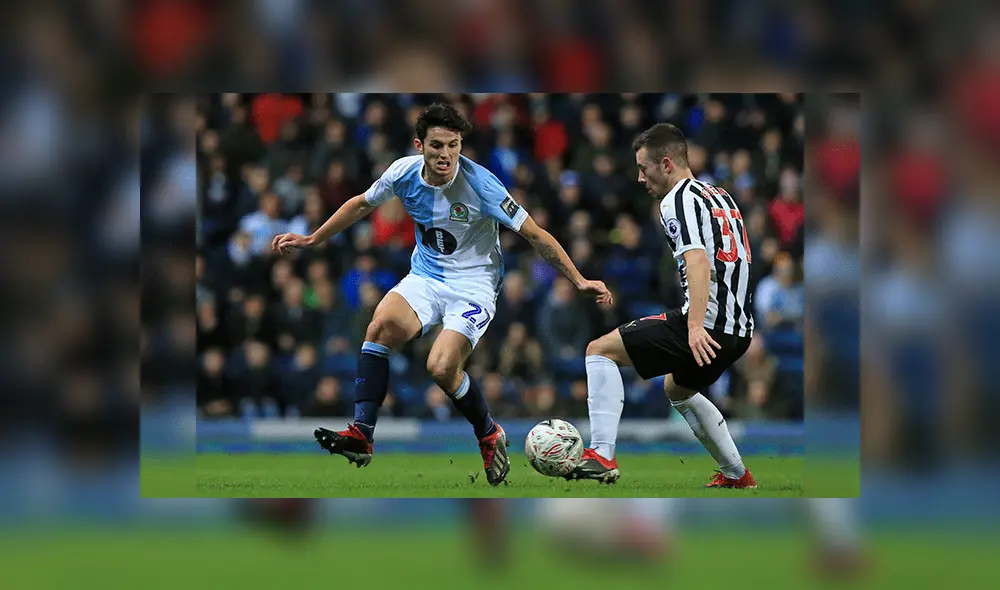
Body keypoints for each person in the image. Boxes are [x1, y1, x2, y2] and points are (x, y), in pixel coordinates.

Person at [272, 103, 612, 486]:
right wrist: (314, 238)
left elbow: (534, 234)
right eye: (437, 145)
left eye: (453, 145)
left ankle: (487, 432)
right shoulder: (402, 172)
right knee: (379, 326)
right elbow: (361, 204)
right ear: (420, 145)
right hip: (427, 275)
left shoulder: (482, 185)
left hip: (474, 286)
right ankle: (362, 434)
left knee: (440, 367)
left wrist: (578, 279)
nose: (446, 154)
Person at [568, 123, 757, 488]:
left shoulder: (677, 200)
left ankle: (602, 455)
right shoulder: (721, 196)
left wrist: (696, 325)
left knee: (599, 351)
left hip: (709, 325)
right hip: (740, 330)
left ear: (667, 164)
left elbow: (698, 262)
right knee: (677, 389)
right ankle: (737, 474)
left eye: (644, 168)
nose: (640, 178)